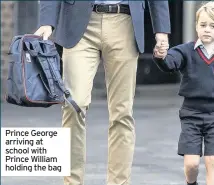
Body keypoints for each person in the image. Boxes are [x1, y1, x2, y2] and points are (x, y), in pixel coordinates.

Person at [34, 1, 171, 185]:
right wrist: (47, 21)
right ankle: (72, 182)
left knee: (122, 112)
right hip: (79, 21)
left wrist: (161, 29)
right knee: (74, 105)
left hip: (125, 20)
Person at [153, 2, 214, 185]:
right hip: (191, 115)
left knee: (212, 161)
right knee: (192, 164)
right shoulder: (185, 51)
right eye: (203, 25)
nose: (207, 30)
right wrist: (161, 56)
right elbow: (170, 63)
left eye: (213, 26)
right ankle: (191, 183)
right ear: (196, 26)